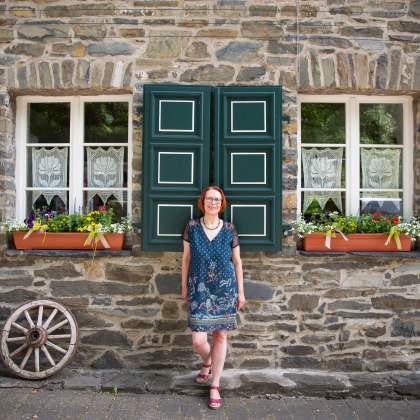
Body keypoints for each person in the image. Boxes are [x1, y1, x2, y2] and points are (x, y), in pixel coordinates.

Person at [181, 186, 246, 410]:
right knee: (198, 340)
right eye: (209, 199)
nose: (213, 202)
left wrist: (241, 291)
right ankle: (207, 361)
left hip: (224, 290)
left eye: (217, 199)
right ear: (203, 202)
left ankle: (215, 385)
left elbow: (237, 262)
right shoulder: (192, 227)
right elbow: (186, 259)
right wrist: (183, 286)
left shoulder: (229, 230)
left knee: (220, 337)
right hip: (199, 289)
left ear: (222, 203)